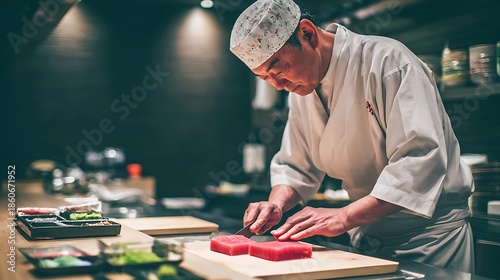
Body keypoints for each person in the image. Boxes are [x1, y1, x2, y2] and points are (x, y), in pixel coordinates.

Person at [229, 0, 475, 273]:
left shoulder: (388, 62)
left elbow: (419, 160)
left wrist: (345, 216)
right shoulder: (302, 87)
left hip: (430, 241)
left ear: (307, 34)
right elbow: (297, 165)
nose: (278, 85)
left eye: (279, 69)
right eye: (265, 78)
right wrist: (275, 203)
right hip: (367, 237)